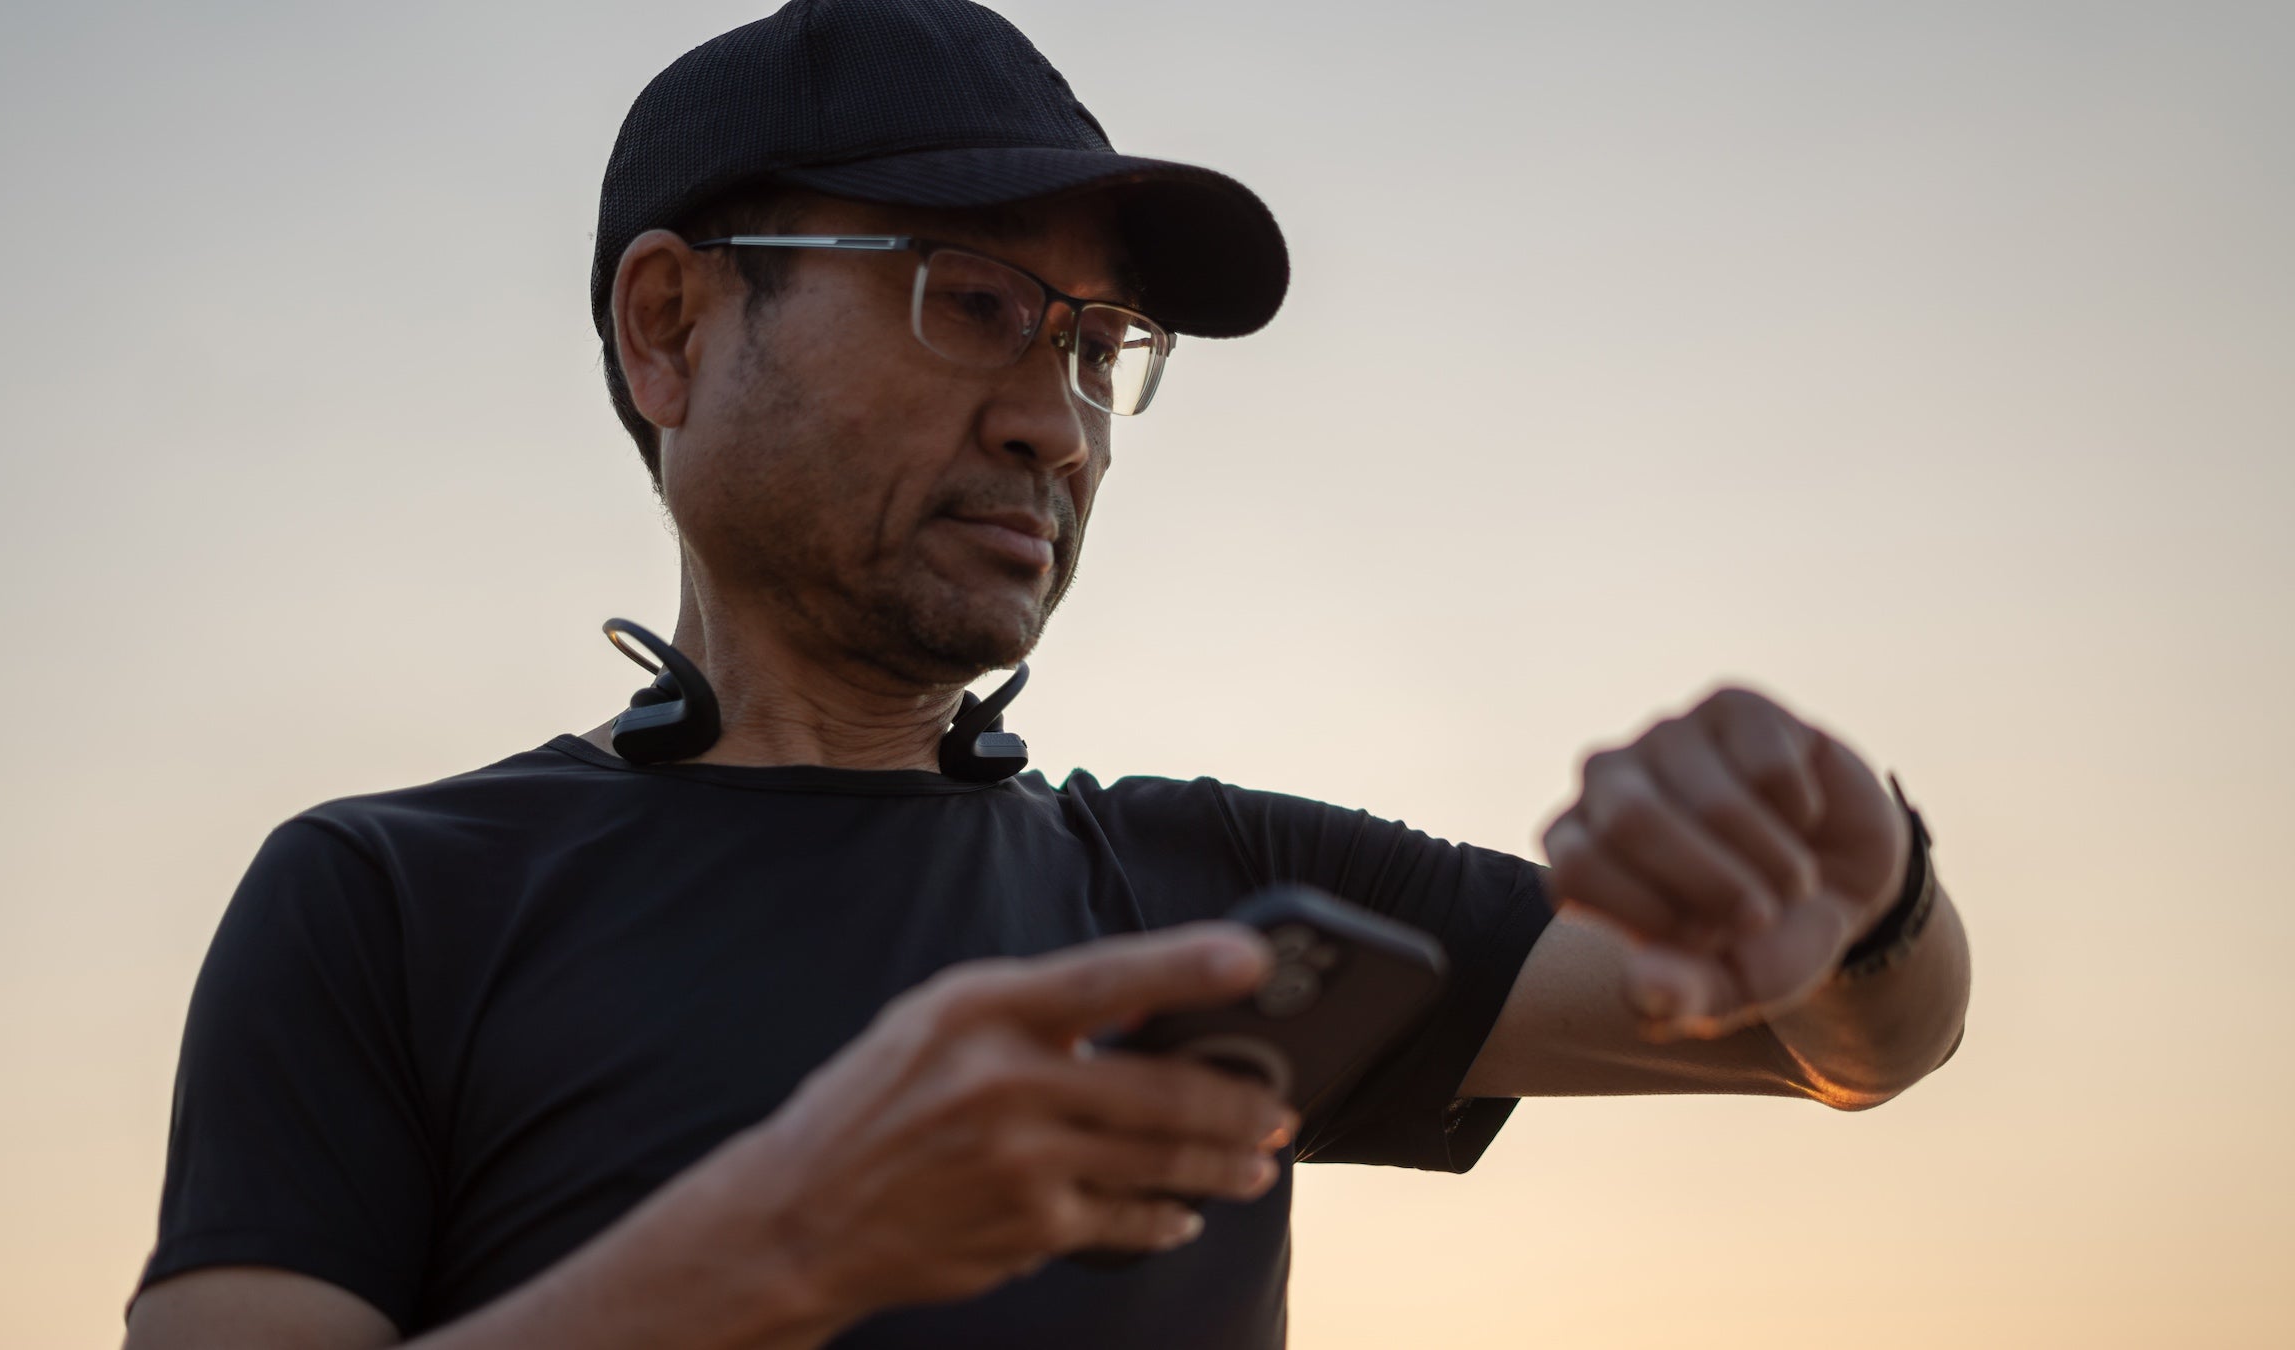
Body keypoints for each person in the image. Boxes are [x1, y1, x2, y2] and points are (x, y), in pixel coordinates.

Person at [122, 2, 1972, 1347]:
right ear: (670, 326)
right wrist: (783, 1242)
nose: (1060, 425)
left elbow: (1846, 1042)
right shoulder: (384, 899)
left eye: (1100, 346)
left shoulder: (1212, 895)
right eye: (976, 303)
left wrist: (1861, 877)